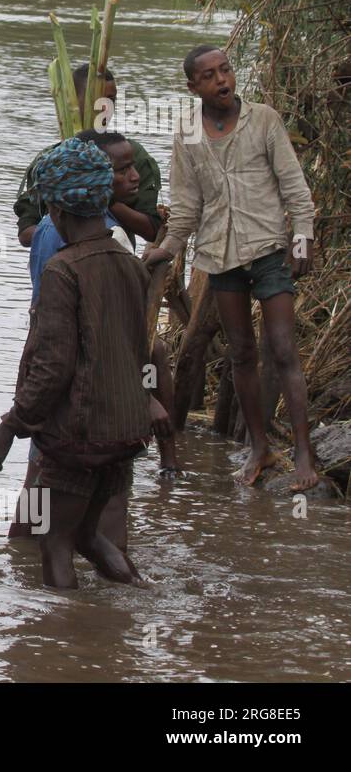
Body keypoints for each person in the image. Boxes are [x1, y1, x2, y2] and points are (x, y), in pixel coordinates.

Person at [0, 139, 169, 589]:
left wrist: (10, 426)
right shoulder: (128, 262)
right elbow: (138, 349)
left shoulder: (63, 271)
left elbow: (53, 366)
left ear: (56, 213)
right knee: (87, 534)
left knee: (54, 541)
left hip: (81, 432)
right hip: (124, 430)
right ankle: (138, 601)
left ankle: (60, 642)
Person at [145, 45, 319, 491]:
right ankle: (260, 449)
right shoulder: (186, 132)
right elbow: (186, 206)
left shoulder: (262, 120)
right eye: (210, 76)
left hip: (268, 250)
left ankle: (303, 454)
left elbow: (294, 187)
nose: (222, 80)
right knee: (240, 353)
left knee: (282, 348)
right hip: (220, 257)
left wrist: (302, 239)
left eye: (226, 70)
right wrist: (165, 250)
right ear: (193, 87)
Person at [7, 129, 180, 541]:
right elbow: (122, 337)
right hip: (92, 400)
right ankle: (115, 586)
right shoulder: (112, 244)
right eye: (121, 170)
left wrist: (16, 416)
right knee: (106, 507)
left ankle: (26, 565)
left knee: (40, 488)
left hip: (53, 387)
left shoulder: (50, 229)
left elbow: (51, 330)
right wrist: (145, 396)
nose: (133, 177)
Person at [14, 64, 162, 247]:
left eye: (111, 100)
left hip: (114, 259)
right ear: (72, 100)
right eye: (98, 100)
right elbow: (25, 233)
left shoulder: (131, 155)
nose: (106, 108)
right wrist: (63, 235)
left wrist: (101, 196)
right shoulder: (51, 160)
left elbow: (153, 230)